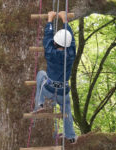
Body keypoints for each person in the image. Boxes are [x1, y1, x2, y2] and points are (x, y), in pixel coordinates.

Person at [32, 11, 77, 144]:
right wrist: (65, 21)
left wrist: (50, 20)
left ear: (55, 43)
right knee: (67, 112)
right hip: (63, 93)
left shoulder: (51, 53)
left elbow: (47, 40)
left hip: (49, 90)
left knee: (41, 74)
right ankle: (71, 136)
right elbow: (72, 41)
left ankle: (39, 104)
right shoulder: (71, 54)